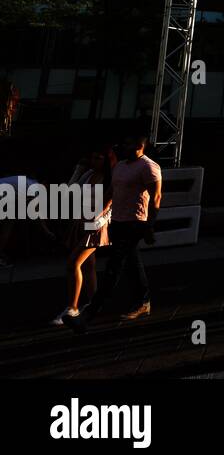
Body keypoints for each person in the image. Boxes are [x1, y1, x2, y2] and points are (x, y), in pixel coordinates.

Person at [71, 135, 162, 328]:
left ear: (139, 146)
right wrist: (100, 215)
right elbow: (111, 193)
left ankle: (88, 314)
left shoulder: (148, 167)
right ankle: (143, 301)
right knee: (131, 263)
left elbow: (156, 198)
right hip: (118, 223)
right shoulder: (120, 166)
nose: (123, 147)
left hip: (135, 223)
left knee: (114, 267)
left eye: (128, 144)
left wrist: (149, 227)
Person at [52, 148, 114, 326]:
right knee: (88, 265)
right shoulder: (88, 173)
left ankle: (73, 307)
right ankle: (93, 304)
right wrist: (78, 169)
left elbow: (109, 207)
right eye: (92, 157)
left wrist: (94, 224)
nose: (94, 160)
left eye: (98, 157)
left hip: (96, 225)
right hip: (80, 222)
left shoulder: (110, 179)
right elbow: (69, 191)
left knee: (74, 263)